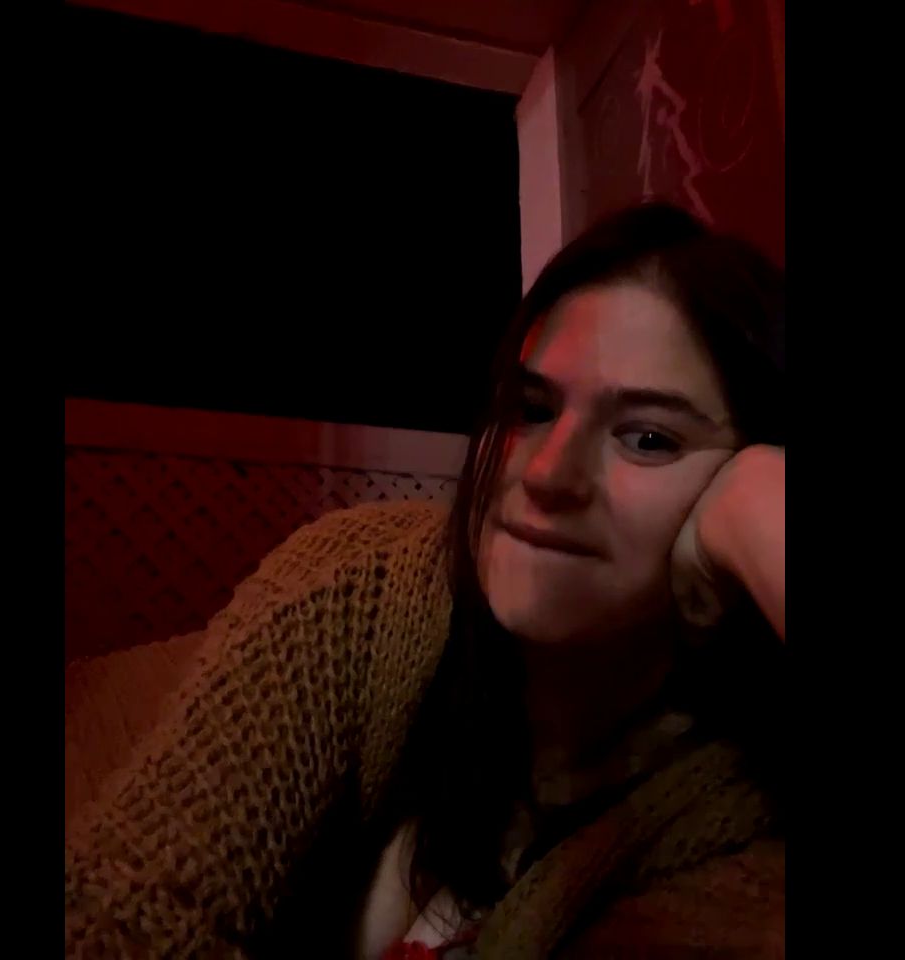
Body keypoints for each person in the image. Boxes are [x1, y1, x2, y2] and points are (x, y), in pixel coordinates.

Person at [65, 201, 785, 959]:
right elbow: (132, 910)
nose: (545, 474)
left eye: (649, 437)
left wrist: (765, 519)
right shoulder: (363, 586)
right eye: (530, 408)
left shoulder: (728, 789)